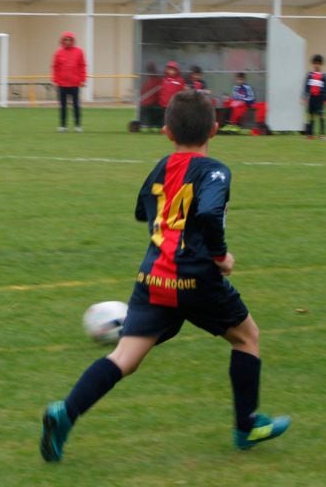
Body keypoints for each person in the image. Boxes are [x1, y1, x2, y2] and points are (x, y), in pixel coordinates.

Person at [40, 90, 291, 463]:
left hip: (154, 278)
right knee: (247, 338)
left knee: (124, 356)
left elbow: (144, 210)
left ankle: (67, 411)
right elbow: (206, 214)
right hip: (198, 279)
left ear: (167, 132)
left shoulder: (161, 166)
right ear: (215, 129)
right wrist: (221, 256)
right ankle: (247, 425)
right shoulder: (216, 170)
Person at [51, 31, 87, 133]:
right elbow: (55, 68)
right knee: (63, 106)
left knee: (76, 105)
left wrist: (82, 80)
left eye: (69, 39)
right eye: (65, 39)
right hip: (62, 84)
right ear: (62, 40)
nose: (67, 41)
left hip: (75, 84)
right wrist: (55, 81)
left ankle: (78, 125)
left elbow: (82, 66)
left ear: (73, 41)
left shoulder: (79, 52)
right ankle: (63, 125)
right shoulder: (58, 53)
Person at [303, 54, 325, 139]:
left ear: (321, 64)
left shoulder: (323, 76)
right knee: (310, 116)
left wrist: (325, 99)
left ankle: (322, 135)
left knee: (321, 116)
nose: (316, 65)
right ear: (313, 64)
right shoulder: (310, 75)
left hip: (320, 98)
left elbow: (325, 88)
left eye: (318, 63)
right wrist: (305, 97)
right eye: (315, 63)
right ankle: (310, 134)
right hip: (311, 97)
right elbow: (306, 86)